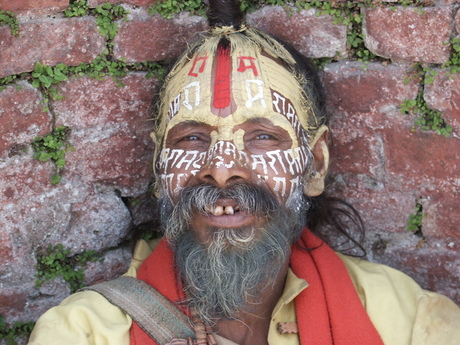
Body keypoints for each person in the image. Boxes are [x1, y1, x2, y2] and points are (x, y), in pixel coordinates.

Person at [28, 0, 460, 344]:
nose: (221, 170)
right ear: (160, 168)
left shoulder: (409, 323)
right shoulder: (81, 334)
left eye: (263, 138)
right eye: (192, 139)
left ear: (317, 165)